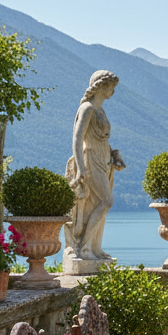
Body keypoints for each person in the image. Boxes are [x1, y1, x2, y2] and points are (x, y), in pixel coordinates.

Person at [64, 70, 126, 268]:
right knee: (106, 201)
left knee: (98, 203)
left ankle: (95, 247)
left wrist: (113, 154)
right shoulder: (87, 109)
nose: (113, 92)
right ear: (100, 86)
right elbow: (77, 139)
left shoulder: (100, 110)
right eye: (111, 87)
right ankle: (83, 247)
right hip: (90, 160)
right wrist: (81, 168)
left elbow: (102, 138)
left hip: (104, 160)